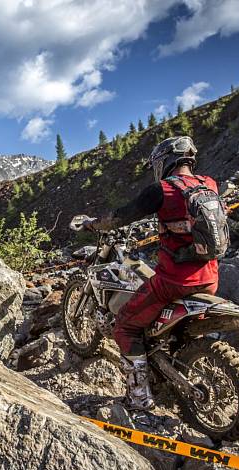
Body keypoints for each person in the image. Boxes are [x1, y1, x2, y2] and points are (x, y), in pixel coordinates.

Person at [85, 136, 223, 410]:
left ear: (165, 161)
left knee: (124, 325)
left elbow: (120, 216)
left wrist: (94, 224)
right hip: (210, 277)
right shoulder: (209, 184)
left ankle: (139, 398)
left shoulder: (162, 190)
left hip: (174, 282)